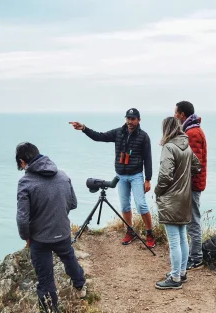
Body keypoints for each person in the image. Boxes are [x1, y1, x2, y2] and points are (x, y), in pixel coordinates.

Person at [15, 142, 86, 313]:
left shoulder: (25, 182)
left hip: (40, 239)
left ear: (23, 162)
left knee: (46, 281)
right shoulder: (62, 175)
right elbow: (73, 203)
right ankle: (80, 285)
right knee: (69, 258)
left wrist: (26, 237)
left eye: (21, 164)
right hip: (62, 232)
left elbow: (22, 218)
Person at [69, 108, 156, 248]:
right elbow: (99, 136)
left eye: (133, 119)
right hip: (121, 175)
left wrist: (148, 179)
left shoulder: (143, 136)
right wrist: (84, 128)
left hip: (136, 176)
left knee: (141, 204)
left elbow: (148, 159)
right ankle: (130, 231)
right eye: (128, 118)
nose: (130, 121)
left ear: (139, 120)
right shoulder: (118, 132)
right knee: (125, 205)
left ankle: (150, 233)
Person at [154, 117, 201, 289]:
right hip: (185, 197)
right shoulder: (186, 146)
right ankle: (181, 273)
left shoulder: (169, 147)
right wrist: (184, 179)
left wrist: (158, 191)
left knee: (174, 240)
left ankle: (174, 279)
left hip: (171, 198)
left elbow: (165, 176)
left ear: (166, 129)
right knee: (182, 237)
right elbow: (197, 167)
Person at [174, 101, 208, 270]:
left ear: (182, 115)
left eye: (176, 113)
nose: (174, 116)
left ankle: (196, 258)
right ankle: (193, 256)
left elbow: (194, 164)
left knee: (193, 221)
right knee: (191, 220)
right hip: (192, 183)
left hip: (192, 185)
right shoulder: (191, 130)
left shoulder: (192, 133)